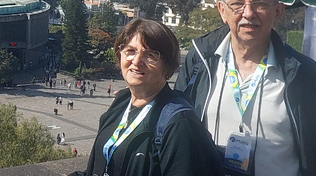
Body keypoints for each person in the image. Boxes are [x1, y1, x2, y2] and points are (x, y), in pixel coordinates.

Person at [174, 0, 316, 176]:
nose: (248, 13)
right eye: (237, 4)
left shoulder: (305, 74)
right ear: (222, 10)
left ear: (278, 11)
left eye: (260, 4)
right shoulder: (200, 60)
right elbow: (177, 129)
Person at [77, 18, 221, 176]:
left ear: (167, 65)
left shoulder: (180, 124)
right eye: (130, 51)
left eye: (150, 55)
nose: (137, 61)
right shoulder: (121, 102)